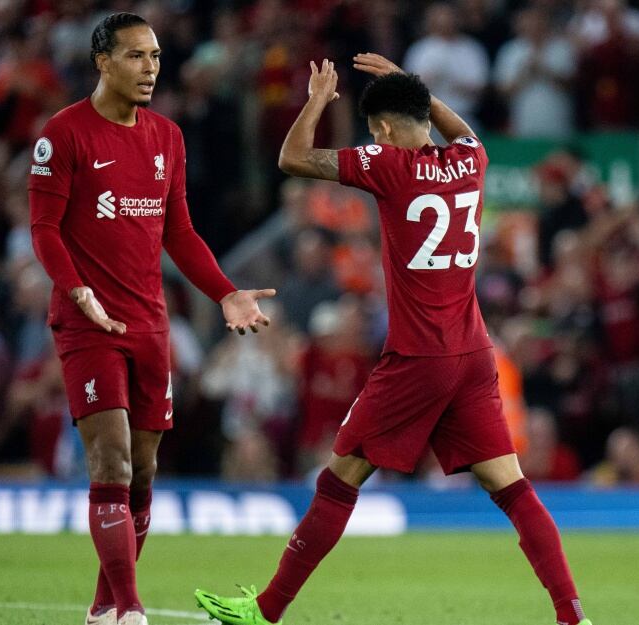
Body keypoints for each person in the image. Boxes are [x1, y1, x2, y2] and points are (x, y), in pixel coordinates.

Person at [195, 54, 591, 625]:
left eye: (378, 127)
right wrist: (416, 89)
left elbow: (291, 158)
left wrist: (316, 99)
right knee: (513, 489)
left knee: (338, 480)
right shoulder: (471, 160)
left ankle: (265, 610)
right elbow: (461, 131)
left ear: (380, 129)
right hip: (474, 353)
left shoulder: (389, 164)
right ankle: (573, 615)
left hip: (417, 358)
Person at [27, 13, 274, 625]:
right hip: (88, 324)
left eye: (157, 57)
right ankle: (131, 610)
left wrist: (223, 293)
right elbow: (44, 230)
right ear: (102, 61)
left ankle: (101, 608)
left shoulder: (166, 136)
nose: (151, 69)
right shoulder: (63, 135)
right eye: (137, 56)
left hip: (149, 325)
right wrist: (78, 290)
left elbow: (180, 233)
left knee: (141, 473)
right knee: (109, 460)